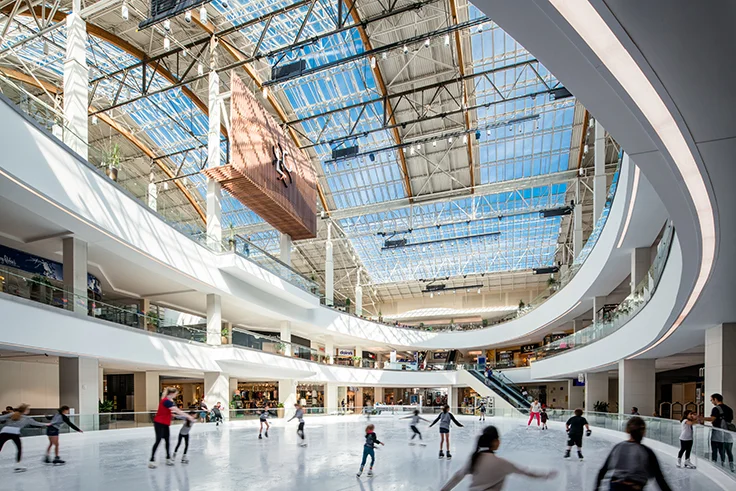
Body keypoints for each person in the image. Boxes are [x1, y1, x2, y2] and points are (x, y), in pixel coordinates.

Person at [440, 425, 557, 490]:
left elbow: (457, 477)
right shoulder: (501, 464)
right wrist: (546, 475)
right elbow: (526, 472)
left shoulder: (474, 459)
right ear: (495, 442)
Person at [595, 416, 672, 491]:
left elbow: (603, 471)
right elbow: (659, 479)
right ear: (644, 432)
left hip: (615, 486)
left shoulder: (618, 447)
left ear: (627, 431)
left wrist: (596, 488)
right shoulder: (646, 452)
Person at [149, 388, 195, 468]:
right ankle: (152, 460)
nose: (176, 395)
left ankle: (168, 458)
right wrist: (189, 416)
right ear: (171, 393)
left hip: (165, 424)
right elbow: (177, 410)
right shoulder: (166, 401)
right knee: (158, 440)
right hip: (159, 423)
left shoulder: (170, 402)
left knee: (167, 441)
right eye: (175, 394)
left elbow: (172, 412)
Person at [0, 404, 49, 472]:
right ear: (25, 410)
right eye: (28, 409)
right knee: (19, 449)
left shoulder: (12, 414)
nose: (28, 410)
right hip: (14, 433)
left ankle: (18, 466)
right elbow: (36, 423)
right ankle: (17, 466)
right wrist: (47, 424)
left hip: (5, 432)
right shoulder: (27, 418)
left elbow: (1, 418)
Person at [704, 392, 734, 471]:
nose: (712, 402)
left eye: (712, 400)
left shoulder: (716, 409)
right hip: (728, 433)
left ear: (715, 399)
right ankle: (731, 466)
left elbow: (712, 419)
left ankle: (716, 466)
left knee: (716, 450)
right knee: (728, 451)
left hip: (718, 433)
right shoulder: (729, 409)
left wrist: (701, 418)